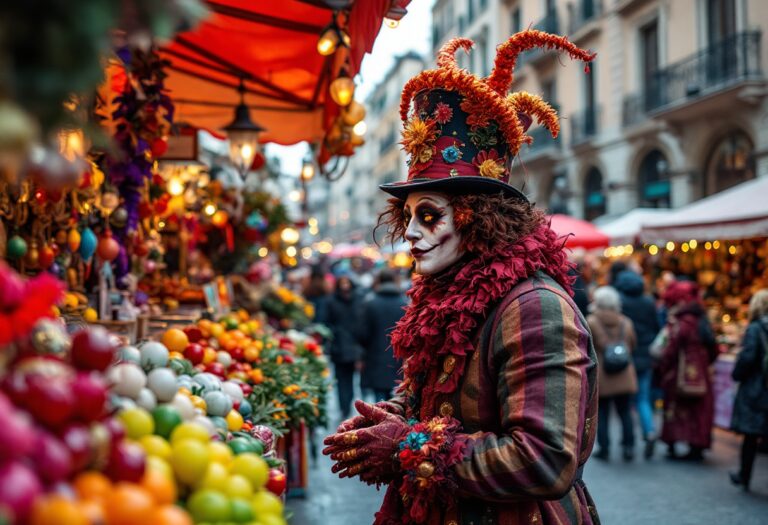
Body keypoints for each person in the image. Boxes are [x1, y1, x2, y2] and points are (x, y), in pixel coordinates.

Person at [323, 31, 600, 524]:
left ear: (478, 218)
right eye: (406, 217)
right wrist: (392, 418)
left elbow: (545, 458)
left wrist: (408, 448)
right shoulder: (445, 299)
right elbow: (441, 402)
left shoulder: (534, 306)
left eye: (428, 216)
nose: (409, 233)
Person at [658, 281, 715, 460]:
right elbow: (714, 347)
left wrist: (663, 367)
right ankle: (696, 445)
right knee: (698, 410)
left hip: (678, 373)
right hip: (701, 373)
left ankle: (673, 443)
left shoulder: (680, 322)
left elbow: (671, 349)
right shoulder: (703, 320)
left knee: (676, 408)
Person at [614, 269, 661, 458]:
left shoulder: (620, 302)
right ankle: (649, 431)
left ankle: (629, 440)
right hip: (646, 355)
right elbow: (657, 326)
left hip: (627, 356)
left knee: (625, 402)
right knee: (643, 398)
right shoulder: (649, 301)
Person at [587, 286, 638, 461]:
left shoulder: (591, 321)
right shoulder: (626, 321)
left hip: (604, 375)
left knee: (603, 413)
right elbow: (632, 345)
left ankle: (604, 448)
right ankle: (629, 446)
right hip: (625, 374)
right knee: (625, 412)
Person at [729, 289, 768, 491]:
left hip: (757, 387)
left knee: (751, 436)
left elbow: (747, 358)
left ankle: (745, 476)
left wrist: (737, 374)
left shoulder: (755, 328)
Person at [359, 269, 408, 402]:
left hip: (375, 358)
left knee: (379, 402)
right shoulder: (404, 303)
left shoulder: (370, 303)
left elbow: (363, 333)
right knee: (397, 401)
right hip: (398, 360)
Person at [326, 275, 364, 420]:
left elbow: (361, 324)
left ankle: (350, 406)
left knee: (353, 380)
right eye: (342, 282)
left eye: (347, 282)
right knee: (342, 380)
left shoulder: (358, 300)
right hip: (339, 348)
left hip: (354, 348)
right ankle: (344, 407)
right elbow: (327, 322)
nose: (345, 285)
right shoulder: (332, 301)